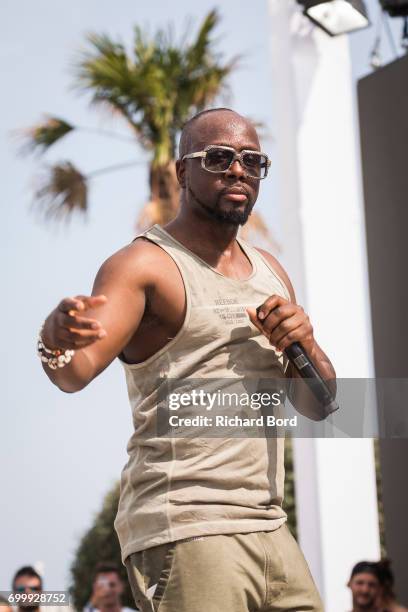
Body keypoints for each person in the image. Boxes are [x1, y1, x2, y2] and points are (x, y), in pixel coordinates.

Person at [38, 107, 337, 611]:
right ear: (182, 172)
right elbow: (73, 372)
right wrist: (53, 338)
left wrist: (305, 344)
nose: (238, 170)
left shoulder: (271, 272)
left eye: (252, 161)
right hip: (188, 525)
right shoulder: (143, 265)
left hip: (269, 525)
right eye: (218, 158)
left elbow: (320, 404)